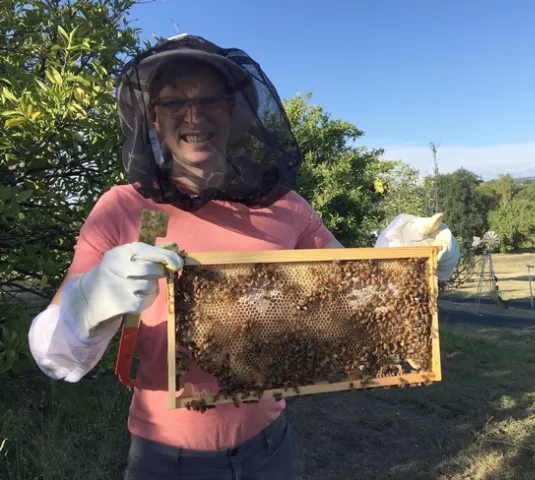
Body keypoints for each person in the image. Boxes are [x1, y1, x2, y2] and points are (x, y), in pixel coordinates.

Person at [27, 34, 460, 480]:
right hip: (167, 461)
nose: (193, 116)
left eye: (209, 100)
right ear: (154, 119)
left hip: (271, 451)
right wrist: (89, 302)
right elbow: (56, 360)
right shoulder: (127, 209)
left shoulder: (286, 207)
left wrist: (408, 259)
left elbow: (359, 296)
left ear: (232, 111)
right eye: (174, 102)